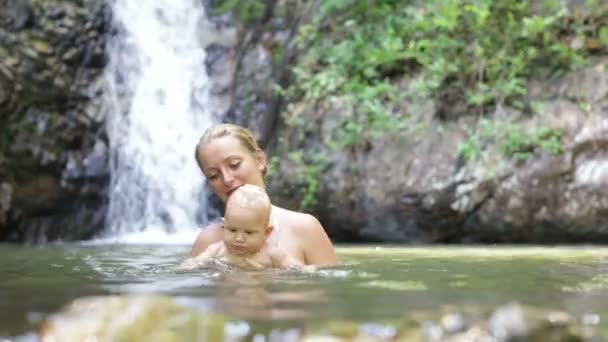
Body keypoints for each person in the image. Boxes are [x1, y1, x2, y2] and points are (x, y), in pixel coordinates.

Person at [190, 123, 338, 266]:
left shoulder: (305, 228)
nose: (227, 179)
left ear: (259, 160)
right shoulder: (207, 241)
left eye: (234, 165)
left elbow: (329, 285)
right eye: (214, 175)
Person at [179, 184, 301, 270]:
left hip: (257, 299)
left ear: (266, 232)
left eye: (248, 233)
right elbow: (193, 264)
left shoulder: (273, 255)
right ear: (224, 226)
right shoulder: (217, 250)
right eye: (232, 230)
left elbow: (298, 270)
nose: (239, 238)